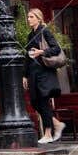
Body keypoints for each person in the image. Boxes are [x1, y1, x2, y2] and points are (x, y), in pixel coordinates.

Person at [24, 8, 68, 145]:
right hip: (33, 72)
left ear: (38, 18)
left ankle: (48, 133)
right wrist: (24, 76)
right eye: (28, 17)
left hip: (44, 71)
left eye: (31, 17)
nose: (29, 19)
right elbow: (27, 56)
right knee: (35, 102)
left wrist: (41, 52)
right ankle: (57, 124)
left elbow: (56, 49)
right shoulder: (30, 35)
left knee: (43, 101)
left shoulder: (45, 31)